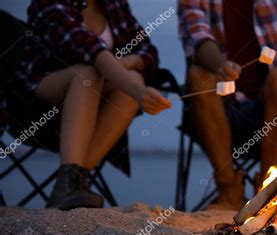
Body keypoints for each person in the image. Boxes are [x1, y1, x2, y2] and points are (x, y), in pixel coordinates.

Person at [17, 0, 172, 210]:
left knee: (131, 77)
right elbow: (89, 50)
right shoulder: (48, 4)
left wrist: (129, 62)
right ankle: (69, 181)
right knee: (90, 72)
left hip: (94, 102)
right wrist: (138, 91)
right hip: (40, 101)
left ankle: (74, 179)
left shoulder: (113, 5)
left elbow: (148, 50)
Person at [178, 0, 277, 210]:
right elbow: (197, 39)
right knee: (198, 74)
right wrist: (220, 65)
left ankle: (269, 191)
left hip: (271, 109)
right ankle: (228, 189)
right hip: (219, 107)